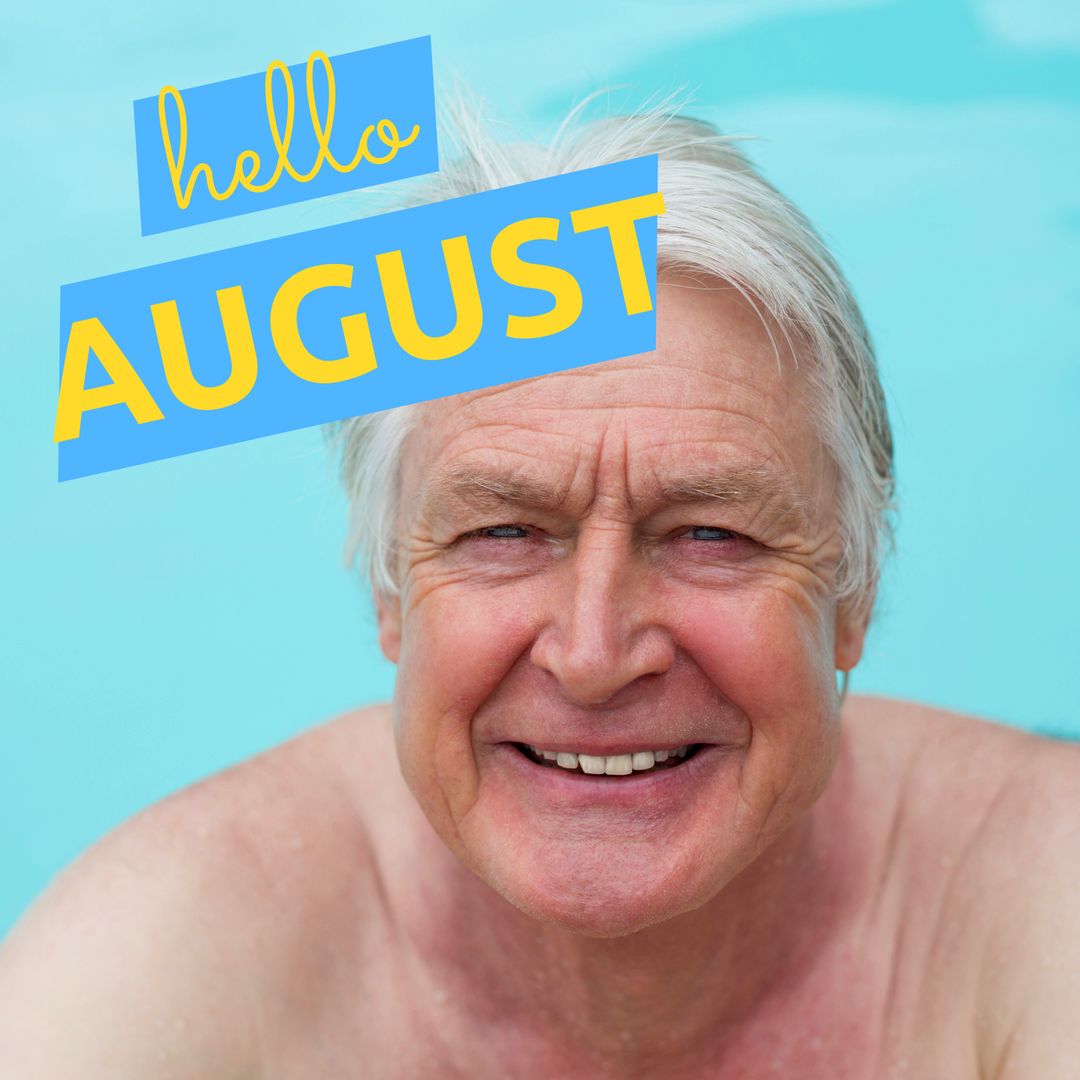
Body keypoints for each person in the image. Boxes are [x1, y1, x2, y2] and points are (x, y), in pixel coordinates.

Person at [1, 105, 1078, 1080]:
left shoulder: (1038, 891)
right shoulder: (153, 962)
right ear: (390, 591)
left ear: (856, 591)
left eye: (710, 533)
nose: (594, 654)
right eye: (504, 533)